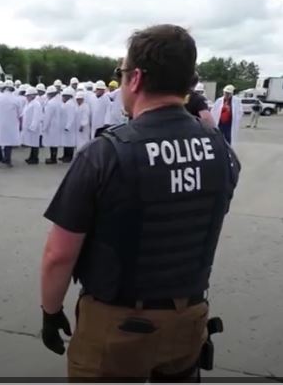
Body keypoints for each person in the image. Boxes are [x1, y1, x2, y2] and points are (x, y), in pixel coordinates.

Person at [40, 24, 240, 380]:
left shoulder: (106, 153)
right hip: (189, 318)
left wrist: (50, 310)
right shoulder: (220, 151)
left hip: (117, 323)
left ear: (135, 79)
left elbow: (59, 254)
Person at [0, 80, 21, 168]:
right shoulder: (16, 99)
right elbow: (20, 114)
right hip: (11, 124)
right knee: (8, 142)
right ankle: (7, 160)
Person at [21, 86, 44, 165]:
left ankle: (35, 158)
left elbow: (36, 116)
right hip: (28, 127)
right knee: (32, 143)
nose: (26, 97)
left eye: (28, 96)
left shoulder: (36, 104)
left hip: (34, 127)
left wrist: (33, 126)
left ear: (32, 95)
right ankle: (31, 157)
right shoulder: (29, 103)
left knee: (35, 143)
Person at [42, 85, 62, 164]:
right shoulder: (58, 101)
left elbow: (48, 117)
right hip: (57, 124)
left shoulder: (50, 103)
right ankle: (53, 158)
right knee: (55, 142)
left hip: (52, 125)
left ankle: (53, 159)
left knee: (52, 143)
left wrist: (44, 127)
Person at [59, 87, 77, 163]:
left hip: (69, 127)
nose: (62, 97)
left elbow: (71, 117)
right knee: (66, 142)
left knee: (69, 142)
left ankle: (69, 157)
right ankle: (65, 156)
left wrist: (67, 126)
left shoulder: (70, 105)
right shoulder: (67, 104)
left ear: (68, 96)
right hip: (66, 126)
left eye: (64, 96)